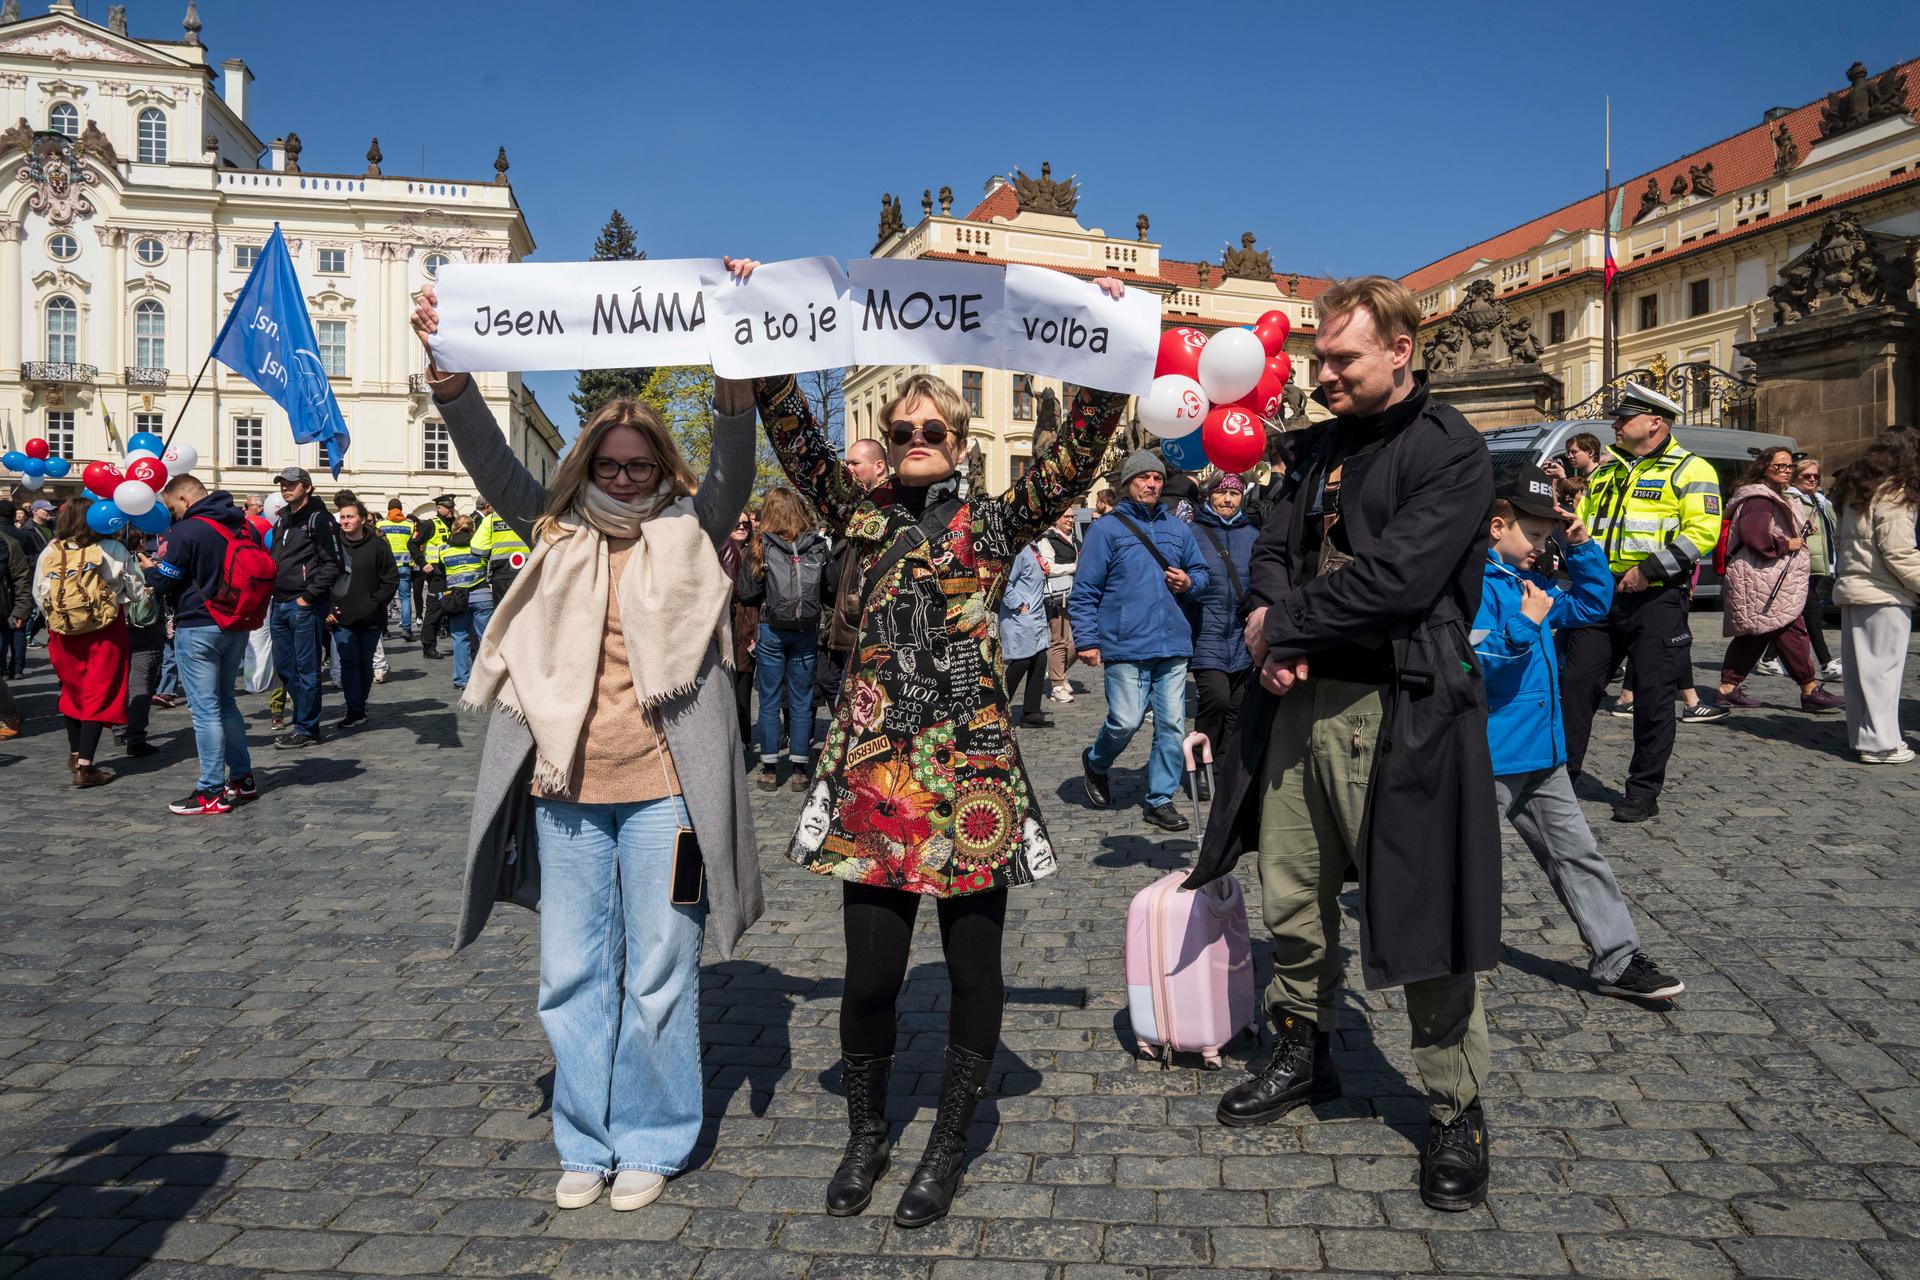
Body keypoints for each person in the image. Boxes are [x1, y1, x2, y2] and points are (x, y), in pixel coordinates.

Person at [734, 256, 1131, 1228]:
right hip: (876, 774)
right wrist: (762, 330)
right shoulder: (857, 514)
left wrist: (1110, 358)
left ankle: (947, 1139)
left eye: (932, 430)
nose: (914, 439)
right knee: (870, 975)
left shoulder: (994, 523)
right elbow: (793, 436)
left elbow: (1073, 459)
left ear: (956, 444)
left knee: (971, 971)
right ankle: (868, 1134)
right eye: (900, 430)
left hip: (972, 773)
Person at [413, 287, 763, 1215]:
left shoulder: (696, 528)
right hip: (565, 791)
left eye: (639, 463)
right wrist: (450, 381)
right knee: (568, 972)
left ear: (661, 467)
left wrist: (735, 363)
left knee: (662, 967)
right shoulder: (551, 527)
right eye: (608, 463)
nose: (623, 477)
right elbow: (491, 459)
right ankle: (585, 1136)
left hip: (673, 799)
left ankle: (652, 1136)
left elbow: (734, 452)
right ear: (584, 466)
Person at [1182, 276, 1498, 1213]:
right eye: (1319, 358)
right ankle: (1302, 1049)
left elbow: (1400, 582)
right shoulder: (1312, 449)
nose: (1322, 375)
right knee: (1292, 895)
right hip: (1299, 706)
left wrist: (1285, 628)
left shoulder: (1451, 451)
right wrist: (1271, 627)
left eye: (1342, 360)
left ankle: (1453, 1106)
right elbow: (1270, 555)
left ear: (1401, 349)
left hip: (1400, 708)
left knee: (1422, 914)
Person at [1473, 464, 1684, 1000]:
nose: (1544, 544)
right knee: (1460, 860)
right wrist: (1524, 622)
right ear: (1498, 527)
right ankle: (1427, 944)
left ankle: (1617, 958)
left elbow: (1593, 604)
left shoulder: (1534, 581)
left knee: (1579, 854)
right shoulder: (1471, 585)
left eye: (1549, 533)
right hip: (1489, 756)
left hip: (1541, 754)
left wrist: (1582, 544)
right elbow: (1474, 665)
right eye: (1536, 534)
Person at [1561, 382, 1722, 823]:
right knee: (1574, 686)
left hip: (1656, 598)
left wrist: (1648, 570)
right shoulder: (1606, 473)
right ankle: (1561, 778)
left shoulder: (1692, 470)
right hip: (1600, 595)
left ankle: (1642, 790)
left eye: (1623, 418)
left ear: (1654, 423)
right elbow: (1589, 527)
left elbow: (1701, 534)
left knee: (1653, 697)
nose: (1614, 424)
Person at [1069, 448, 1211, 832]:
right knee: (1126, 720)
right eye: (1143, 478)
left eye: (1157, 478)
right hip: (1126, 642)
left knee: (1171, 725)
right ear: (1128, 483)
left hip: (1172, 643)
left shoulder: (1178, 529)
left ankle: (1159, 799)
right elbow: (1084, 591)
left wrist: (1190, 582)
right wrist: (1086, 639)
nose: (1151, 484)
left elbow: (1201, 573)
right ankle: (1097, 762)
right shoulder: (1106, 530)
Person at [148, 474, 260, 815]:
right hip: (237, 624)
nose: (173, 514)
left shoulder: (189, 530)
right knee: (226, 702)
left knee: (205, 710)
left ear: (183, 499)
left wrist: (149, 569)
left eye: (171, 507)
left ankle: (210, 789)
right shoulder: (244, 526)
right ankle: (242, 779)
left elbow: (166, 580)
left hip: (198, 624)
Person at [1711, 447, 1844, 715]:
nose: (1785, 470)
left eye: (1788, 467)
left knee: (1756, 634)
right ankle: (1809, 689)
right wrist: (1788, 543)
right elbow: (1755, 535)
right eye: (1779, 465)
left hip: (1765, 578)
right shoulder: (1760, 498)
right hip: (1762, 578)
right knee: (1790, 630)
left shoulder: (1769, 497)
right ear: (1764, 467)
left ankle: (1727, 689)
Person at [33, 497, 152, 787]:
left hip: (62, 632)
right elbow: (136, 592)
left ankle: (76, 754)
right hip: (104, 631)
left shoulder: (52, 550)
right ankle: (86, 767)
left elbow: (40, 592)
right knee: (100, 693)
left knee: (73, 692)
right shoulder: (112, 548)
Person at [1830, 425, 1920, 764]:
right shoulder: (1896, 494)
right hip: (1884, 593)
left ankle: (1864, 736)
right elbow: (1900, 553)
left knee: (1860, 673)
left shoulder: (1857, 490)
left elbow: (1840, 542)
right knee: (1883, 672)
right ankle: (1881, 744)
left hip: (1855, 587)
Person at [738, 487, 830, 791]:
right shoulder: (816, 544)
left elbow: (747, 593)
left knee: (768, 700)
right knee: (802, 700)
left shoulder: (761, 543)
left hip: (771, 629)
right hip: (806, 630)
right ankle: (801, 769)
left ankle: (768, 768)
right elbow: (829, 590)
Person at [1189, 472, 1257, 795]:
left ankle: (1222, 765)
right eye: (1221, 493)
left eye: (1234, 493)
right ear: (1209, 496)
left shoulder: (1253, 535)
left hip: (1243, 634)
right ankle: (1200, 765)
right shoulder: (1194, 532)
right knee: (1216, 698)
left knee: (1238, 706)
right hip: (1208, 631)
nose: (1227, 500)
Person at [267, 465, 345, 749]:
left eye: (291, 484)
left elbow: (333, 564)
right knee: (286, 668)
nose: (285, 488)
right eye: (282, 484)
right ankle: (304, 719)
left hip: (303, 604)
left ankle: (307, 727)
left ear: (307, 487)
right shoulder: (282, 520)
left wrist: (308, 596)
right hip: (279, 603)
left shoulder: (319, 519)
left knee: (307, 669)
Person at [817, 439, 890, 718]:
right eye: (846, 463)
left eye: (854, 463)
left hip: (868, 623)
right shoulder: (858, 509)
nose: (848, 469)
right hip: (850, 617)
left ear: (879, 466)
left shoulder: (886, 509)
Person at [329, 499, 398, 728]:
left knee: (365, 663)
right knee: (349, 661)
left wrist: (374, 603)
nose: (345, 521)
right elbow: (323, 578)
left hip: (370, 616)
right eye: (343, 517)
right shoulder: (333, 545)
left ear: (362, 518)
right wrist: (328, 608)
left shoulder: (378, 546)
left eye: (350, 517)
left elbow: (390, 580)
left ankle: (361, 703)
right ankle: (354, 709)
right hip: (341, 618)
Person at [1782, 456, 1840, 679]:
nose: (1813, 479)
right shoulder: (1791, 499)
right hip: (1800, 563)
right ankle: (1825, 662)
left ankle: (1767, 658)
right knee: (1812, 612)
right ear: (1796, 478)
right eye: (1807, 476)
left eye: (1816, 476)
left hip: (1818, 563)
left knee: (1790, 615)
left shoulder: (1821, 501)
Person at [429, 515, 492, 691]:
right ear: (473, 529)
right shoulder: (481, 547)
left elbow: (438, 573)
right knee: (486, 639)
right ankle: (488, 679)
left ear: (454, 528)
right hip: (482, 595)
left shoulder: (443, 549)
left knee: (459, 638)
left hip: (456, 599)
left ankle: (462, 679)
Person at [117, 526, 164, 758]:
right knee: (141, 684)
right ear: (141, 542)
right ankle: (135, 737)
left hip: (116, 628)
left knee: (118, 681)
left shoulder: (109, 562)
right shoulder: (148, 565)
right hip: (147, 630)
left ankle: (118, 728)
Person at [997, 539, 1052, 729]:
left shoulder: (1033, 547)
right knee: (1021, 661)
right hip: (1020, 617)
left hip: (1034, 617)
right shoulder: (1019, 551)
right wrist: (1019, 605)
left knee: (1039, 658)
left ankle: (1031, 712)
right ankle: (997, 708)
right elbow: (1004, 581)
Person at [720, 511, 760, 746]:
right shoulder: (715, 551)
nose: (742, 527)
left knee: (743, 687)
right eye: (737, 523)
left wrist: (757, 634)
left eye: (745, 524)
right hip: (724, 627)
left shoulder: (755, 554)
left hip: (747, 627)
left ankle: (743, 738)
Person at [1039, 509, 1079, 702]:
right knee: (1060, 638)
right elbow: (1048, 568)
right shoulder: (1047, 540)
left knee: (1084, 637)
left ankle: (1059, 671)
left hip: (1077, 595)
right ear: (1056, 520)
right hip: (1058, 596)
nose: (1071, 520)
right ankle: (1056, 685)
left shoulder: (1074, 538)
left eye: (1072, 516)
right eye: (1067, 517)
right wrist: (1073, 567)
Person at [412, 494, 455, 660]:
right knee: (434, 610)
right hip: (437, 574)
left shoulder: (454, 524)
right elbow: (412, 543)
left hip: (453, 572)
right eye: (448, 507)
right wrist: (422, 563)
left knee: (454, 608)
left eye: (452, 506)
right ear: (439, 508)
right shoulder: (429, 524)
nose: (451, 509)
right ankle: (429, 647)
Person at [0, 499, 35, 683]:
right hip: (18, 588)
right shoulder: (20, 535)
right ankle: (17, 667)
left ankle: (4, 670)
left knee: (5, 631)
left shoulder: (10, 538)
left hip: (8, 591)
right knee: (17, 630)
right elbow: (29, 560)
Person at [474, 495, 532, 604]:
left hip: (501, 575)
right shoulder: (530, 517)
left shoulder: (491, 519)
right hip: (527, 573)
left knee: (503, 616)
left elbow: (477, 549)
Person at [377, 501, 416, 639]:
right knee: (405, 598)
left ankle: (384, 630)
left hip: (386, 568)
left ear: (388, 509)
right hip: (404, 566)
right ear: (401, 509)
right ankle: (406, 629)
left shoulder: (380, 525)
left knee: (384, 599)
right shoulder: (410, 525)